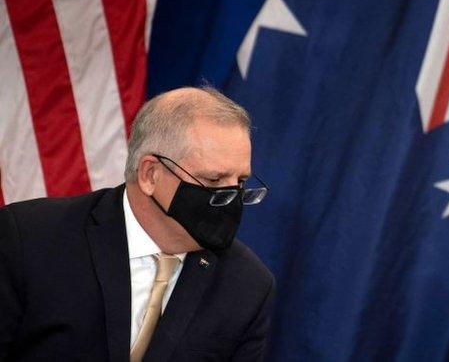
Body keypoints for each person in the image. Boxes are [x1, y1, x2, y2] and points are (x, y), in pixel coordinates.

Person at [0, 86, 275, 361]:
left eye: (240, 182)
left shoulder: (247, 286)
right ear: (150, 174)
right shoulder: (30, 240)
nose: (232, 200)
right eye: (214, 180)